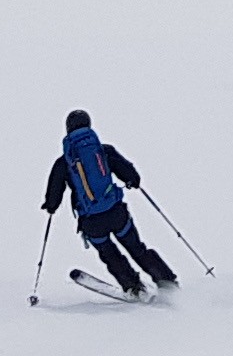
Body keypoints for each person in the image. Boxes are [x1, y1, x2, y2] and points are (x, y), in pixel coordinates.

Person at [42, 110, 178, 297]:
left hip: (91, 222)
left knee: (110, 255)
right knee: (137, 248)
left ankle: (133, 287)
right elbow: (131, 175)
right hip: (117, 214)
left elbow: (53, 195)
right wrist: (132, 181)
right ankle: (166, 281)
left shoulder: (64, 162)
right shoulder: (104, 151)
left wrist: (50, 206)